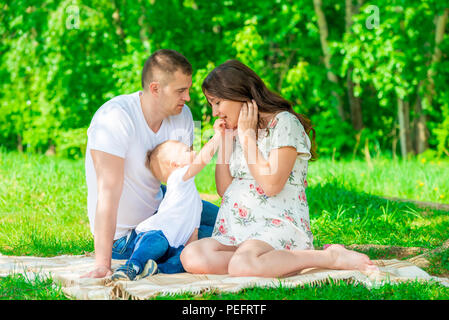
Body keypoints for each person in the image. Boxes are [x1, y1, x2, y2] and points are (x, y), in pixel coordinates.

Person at [180, 60, 379, 277]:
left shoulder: (284, 123)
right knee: (192, 256)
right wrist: (225, 142)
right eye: (211, 104)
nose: (215, 112)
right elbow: (224, 190)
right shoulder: (237, 130)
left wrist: (247, 138)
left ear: (239, 94)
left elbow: (272, 184)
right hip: (238, 230)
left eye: (217, 102)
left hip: (275, 226)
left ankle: (330, 257)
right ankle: (258, 261)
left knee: (241, 266)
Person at [81, 49, 219, 278]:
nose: (188, 97)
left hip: (163, 205)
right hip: (127, 235)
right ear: (155, 89)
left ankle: (274, 241)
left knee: (231, 218)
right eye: (181, 91)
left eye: (188, 89)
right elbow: (108, 194)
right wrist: (102, 265)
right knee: (216, 236)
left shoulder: (183, 116)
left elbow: (186, 176)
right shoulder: (114, 118)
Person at [111, 120, 225, 280]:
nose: (192, 152)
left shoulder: (193, 201)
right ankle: (132, 266)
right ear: (176, 164)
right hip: (157, 232)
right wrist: (218, 136)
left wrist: (189, 249)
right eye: (187, 151)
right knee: (156, 243)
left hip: (177, 243)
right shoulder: (178, 178)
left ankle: (158, 270)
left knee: (183, 260)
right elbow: (202, 160)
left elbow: (194, 229)